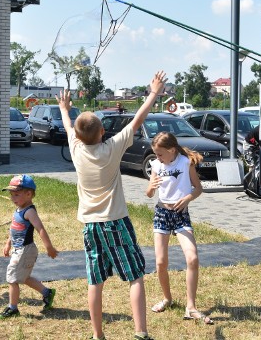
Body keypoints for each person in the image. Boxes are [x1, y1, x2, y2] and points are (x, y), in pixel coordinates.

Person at [57, 70, 167, 340]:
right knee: (135, 277)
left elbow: (70, 127)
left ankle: (98, 335)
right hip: (116, 222)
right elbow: (137, 119)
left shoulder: (75, 149)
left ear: (79, 137)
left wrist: (64, 108)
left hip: (90, 226)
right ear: (103, 131)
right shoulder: (112, 148)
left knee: (95, 281)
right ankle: (140, 332)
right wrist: (153, 92)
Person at [145, 131, 213, 325]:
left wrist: (188, 198)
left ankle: (191, 307)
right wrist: (152, 186)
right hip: (162, 214)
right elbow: (149, 194)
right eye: (156, 155)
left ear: (171, 150)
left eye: (160, 154)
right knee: (160, 262)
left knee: (192, 258)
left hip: (181, 215)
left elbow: (198, 188)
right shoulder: (156, 165)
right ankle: (167, 298)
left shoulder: (185, 162)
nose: (157, 158)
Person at [0, 174, 59, 319]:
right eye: (11, 195)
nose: (13, 198)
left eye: (16, 194)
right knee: (23, 277)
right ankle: (47, 293)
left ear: (29, 194)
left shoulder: (29, 211)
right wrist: (8, 243)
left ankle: (13, 308)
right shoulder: (18, 209)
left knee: (12, 278)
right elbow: (14, 228)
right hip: (18, 249)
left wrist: (49, 247)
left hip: (25, 250)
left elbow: (40, 229)